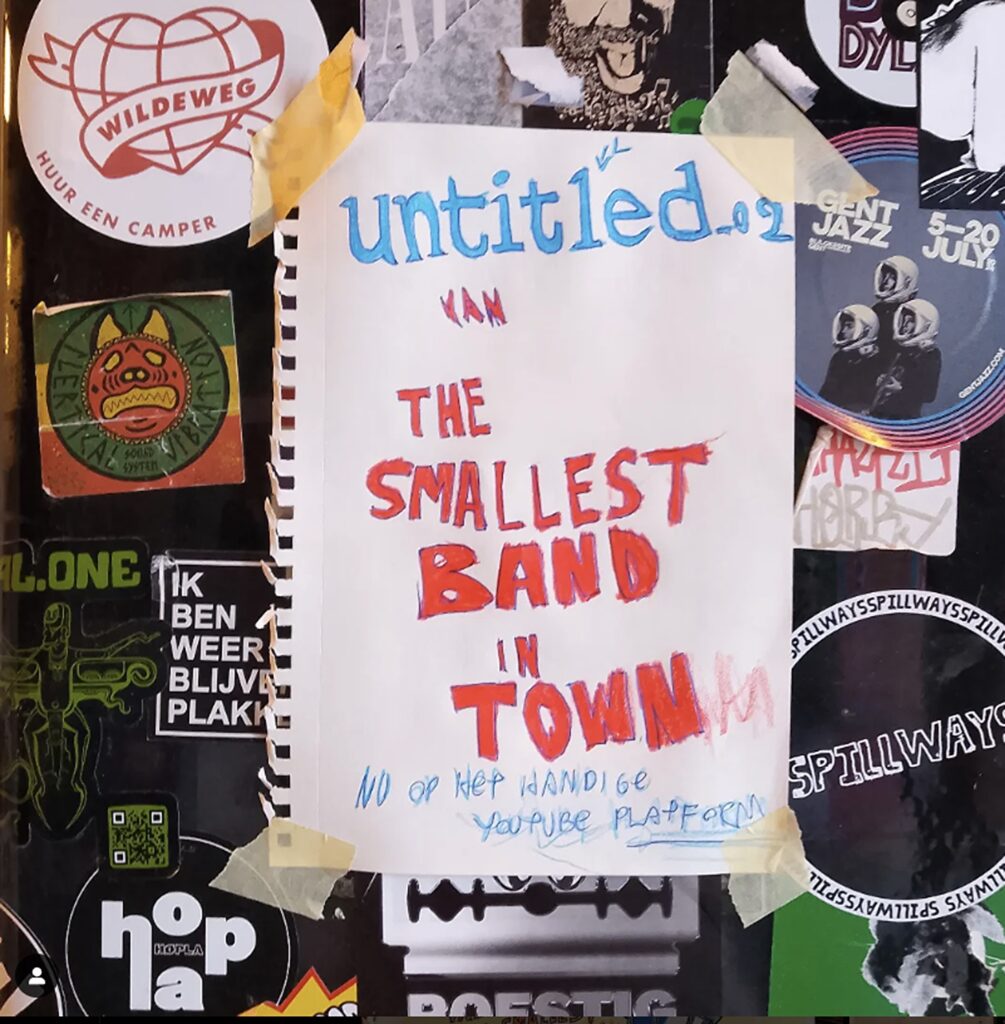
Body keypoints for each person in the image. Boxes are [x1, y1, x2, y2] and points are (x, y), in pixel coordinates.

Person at [872, 299, 942, 419]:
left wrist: (900, 388)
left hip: (904, 419)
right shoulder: (899, 349)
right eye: (903, 319)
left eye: (910, 321)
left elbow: (929, 394)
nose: (904, 324)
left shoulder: (930, 354)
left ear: (925, 325)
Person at [820, 304, 882, 412]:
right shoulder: (839, 358)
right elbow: (826, 394)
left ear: (866, 330)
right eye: (842, 326)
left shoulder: (879, 360)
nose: (843, 331)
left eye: (849, 326)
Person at [873, 255, 920, 353]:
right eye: (884, 276)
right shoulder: (878, 309)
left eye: (893, 277)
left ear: (907, 282)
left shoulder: (915, 314)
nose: (885, 281)